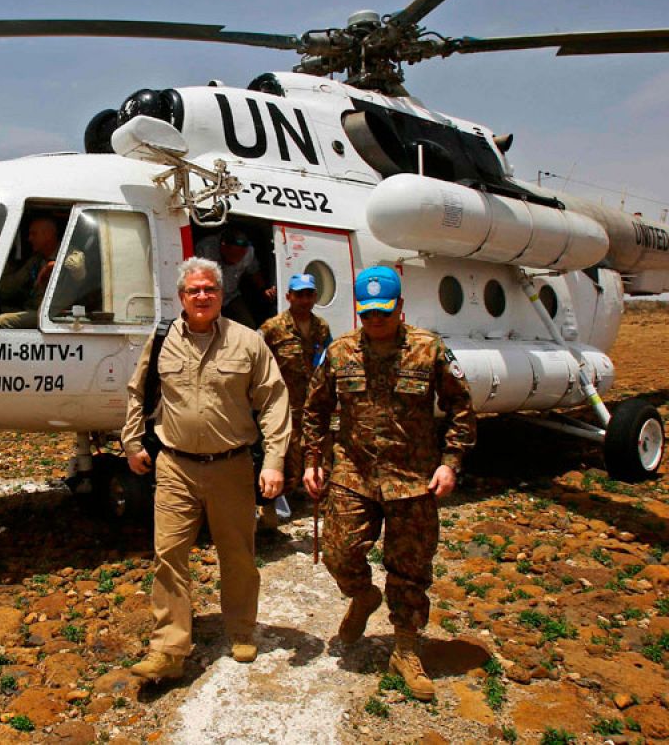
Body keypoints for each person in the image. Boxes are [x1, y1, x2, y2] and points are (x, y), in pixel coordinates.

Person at [301, 266, 477, 702]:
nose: (375, 320)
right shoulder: (339, 352)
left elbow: (460, 407)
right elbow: (315, 409)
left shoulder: (429, 349)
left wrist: (450, 463)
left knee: (410, 569)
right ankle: (362, 597)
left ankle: (405, 648)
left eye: (384, 312)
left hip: (412, 479)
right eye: (367, 313)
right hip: (353, 474)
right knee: (339, 553)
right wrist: (311, 460)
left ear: (400, 307)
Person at [121, 257, 290, 681]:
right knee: (169, 556)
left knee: (237, 555)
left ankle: (241, 630)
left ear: (220, 295)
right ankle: (168, 648)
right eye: (194, 290)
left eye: (210, 290)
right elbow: (138, 391)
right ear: (181, 297)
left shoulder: (247, 341)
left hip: (231, 466)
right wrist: (132, 441)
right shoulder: (161, 341)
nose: (202, 296)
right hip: (175, 465)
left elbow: (273, 400)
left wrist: (273, 462)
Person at [257, 272, 333, 520]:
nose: (305, 299)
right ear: (289, 296)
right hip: (285, 406)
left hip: (315, 404)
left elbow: (329, 361)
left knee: (318, 453)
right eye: (299, 294)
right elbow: (257, 362)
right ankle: (273, 510)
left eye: (309, 294)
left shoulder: (322, 327)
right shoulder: (272, 328)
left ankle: (318, 500)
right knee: (285, 457)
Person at [0, 216, 80, 329]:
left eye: (34, 234)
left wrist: (54, 265)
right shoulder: (37, 259)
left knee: (2, 321)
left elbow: (77, 266)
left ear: (47, 235)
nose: (29, 239)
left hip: (54, 315)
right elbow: (13, 284)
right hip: (34, 308)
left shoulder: (70, 252)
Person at [194, 228, 276, 327]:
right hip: (207, 295)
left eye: (239, 259)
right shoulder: (205, 248)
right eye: (232, 257)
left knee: (248, 326)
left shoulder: (249, 253)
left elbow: (254, 271)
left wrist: (264, 289)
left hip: (231, 296)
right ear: (223, 246)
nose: (235, 262)